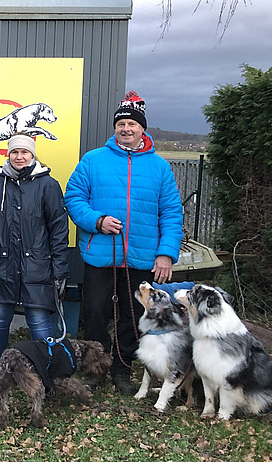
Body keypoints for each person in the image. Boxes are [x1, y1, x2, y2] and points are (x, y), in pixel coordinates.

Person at [64, 90, 183, 394]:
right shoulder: (93, 160)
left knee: (132, 317)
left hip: (141, 258)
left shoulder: (159, 167)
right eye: (122, 124)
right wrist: (97, 220)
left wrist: (166, 254)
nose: (126, 129)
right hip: (101, 255)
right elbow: (74, 198)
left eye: (132, 124)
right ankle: (94, 368)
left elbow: (171, 212)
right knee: (95, 313)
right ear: (115, 128)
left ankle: (122, 369)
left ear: (143, 128)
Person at [0, 134, 70, 383]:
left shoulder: (48, 185)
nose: (19, 156)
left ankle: (46, 366)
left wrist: (59, 268)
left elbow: (58, 229)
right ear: (8, 154)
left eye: (25, 152)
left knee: (39, 321)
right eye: (15, 152)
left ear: (33, 155)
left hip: (37, 265)